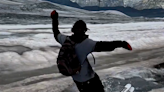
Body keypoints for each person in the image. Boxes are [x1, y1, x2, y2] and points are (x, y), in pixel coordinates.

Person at [51, 10, 132, 92]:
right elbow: (105, 46)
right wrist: (122, 43)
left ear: (73, 29)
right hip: (90, 79)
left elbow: (56, 33)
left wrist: (54, 18)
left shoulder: (65, 40)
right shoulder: (87, 43)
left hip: (77, 79)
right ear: (84, 30)